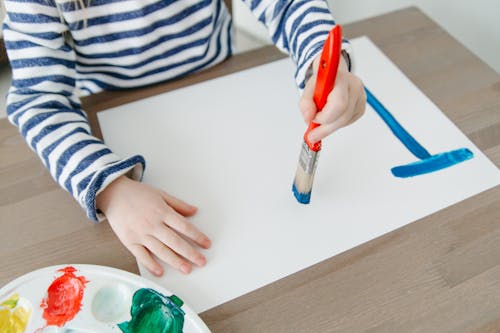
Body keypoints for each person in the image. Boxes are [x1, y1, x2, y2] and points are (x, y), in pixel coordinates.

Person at [2, 0, 366, 277]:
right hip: (114, 105)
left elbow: (288, 6)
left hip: (219, 82)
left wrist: (326, 65)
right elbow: (39, 99)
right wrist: (109, 188)